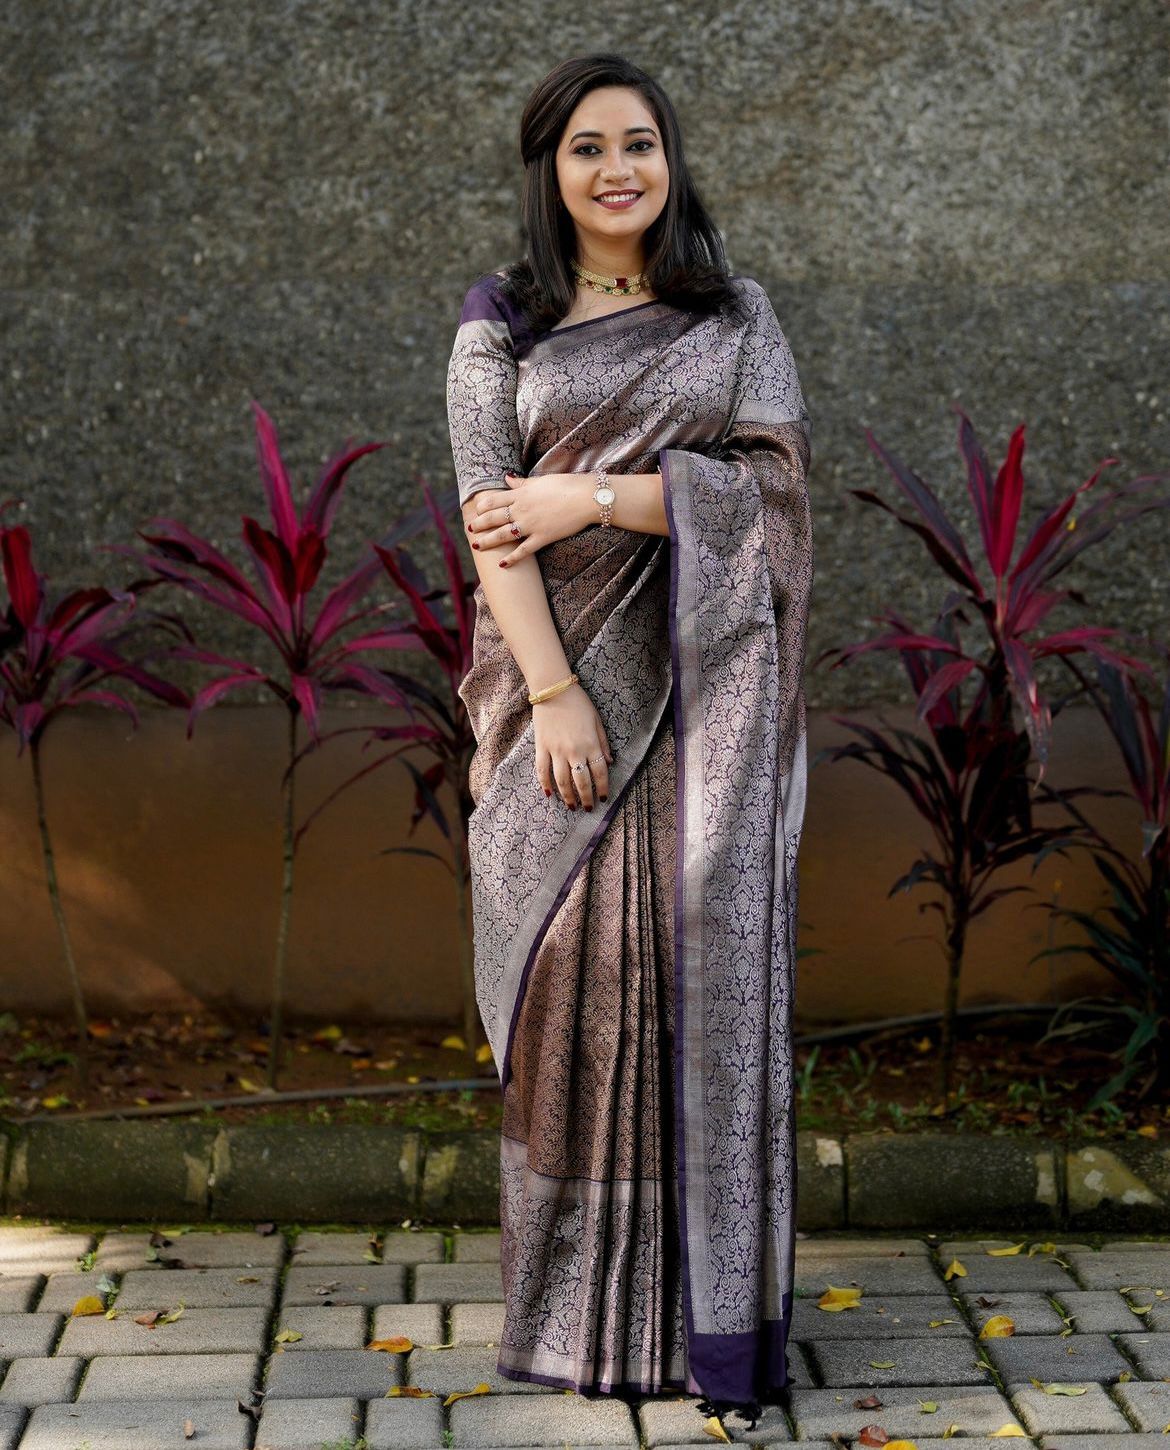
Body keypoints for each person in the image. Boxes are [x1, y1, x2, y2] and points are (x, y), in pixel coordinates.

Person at [445, 51, 813, 1428]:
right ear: (549, 168)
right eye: (588, 146)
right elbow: (490, 522)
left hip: (708, 717)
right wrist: (551, 695)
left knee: (691, 1004)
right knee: (571, 1009)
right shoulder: (502, 324)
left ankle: (707, 1330)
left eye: (640, 144)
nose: (617, 169)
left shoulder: (735, 315)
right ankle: (574, 1317)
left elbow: (775, 504)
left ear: (671, 160)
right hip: (561, 717)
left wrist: (592, 494)